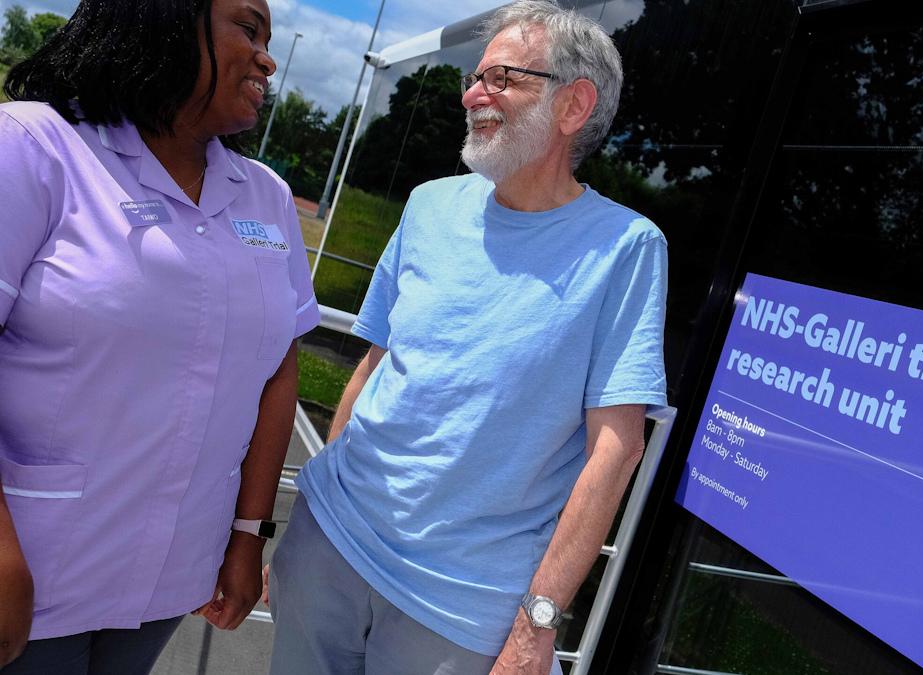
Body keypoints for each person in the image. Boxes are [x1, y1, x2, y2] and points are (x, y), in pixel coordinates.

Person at [265, 1, 667, 673]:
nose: (472, 95)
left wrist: (537, 622)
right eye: (473, 78)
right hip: (328, 548)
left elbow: (616, 449)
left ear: (573, 106)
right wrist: (321, 507)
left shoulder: (627, 248)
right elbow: (374, 366)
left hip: (457, 609)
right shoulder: (426, 204)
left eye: (502, 77)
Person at [0, 0, 318, 672]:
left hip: (173, 571)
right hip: (31, 567)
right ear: (163, 19)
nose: (268, 57)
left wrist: (245, 535)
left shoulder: (266, 198)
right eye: (249, 29)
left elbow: (278, 370)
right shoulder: (34, 148)